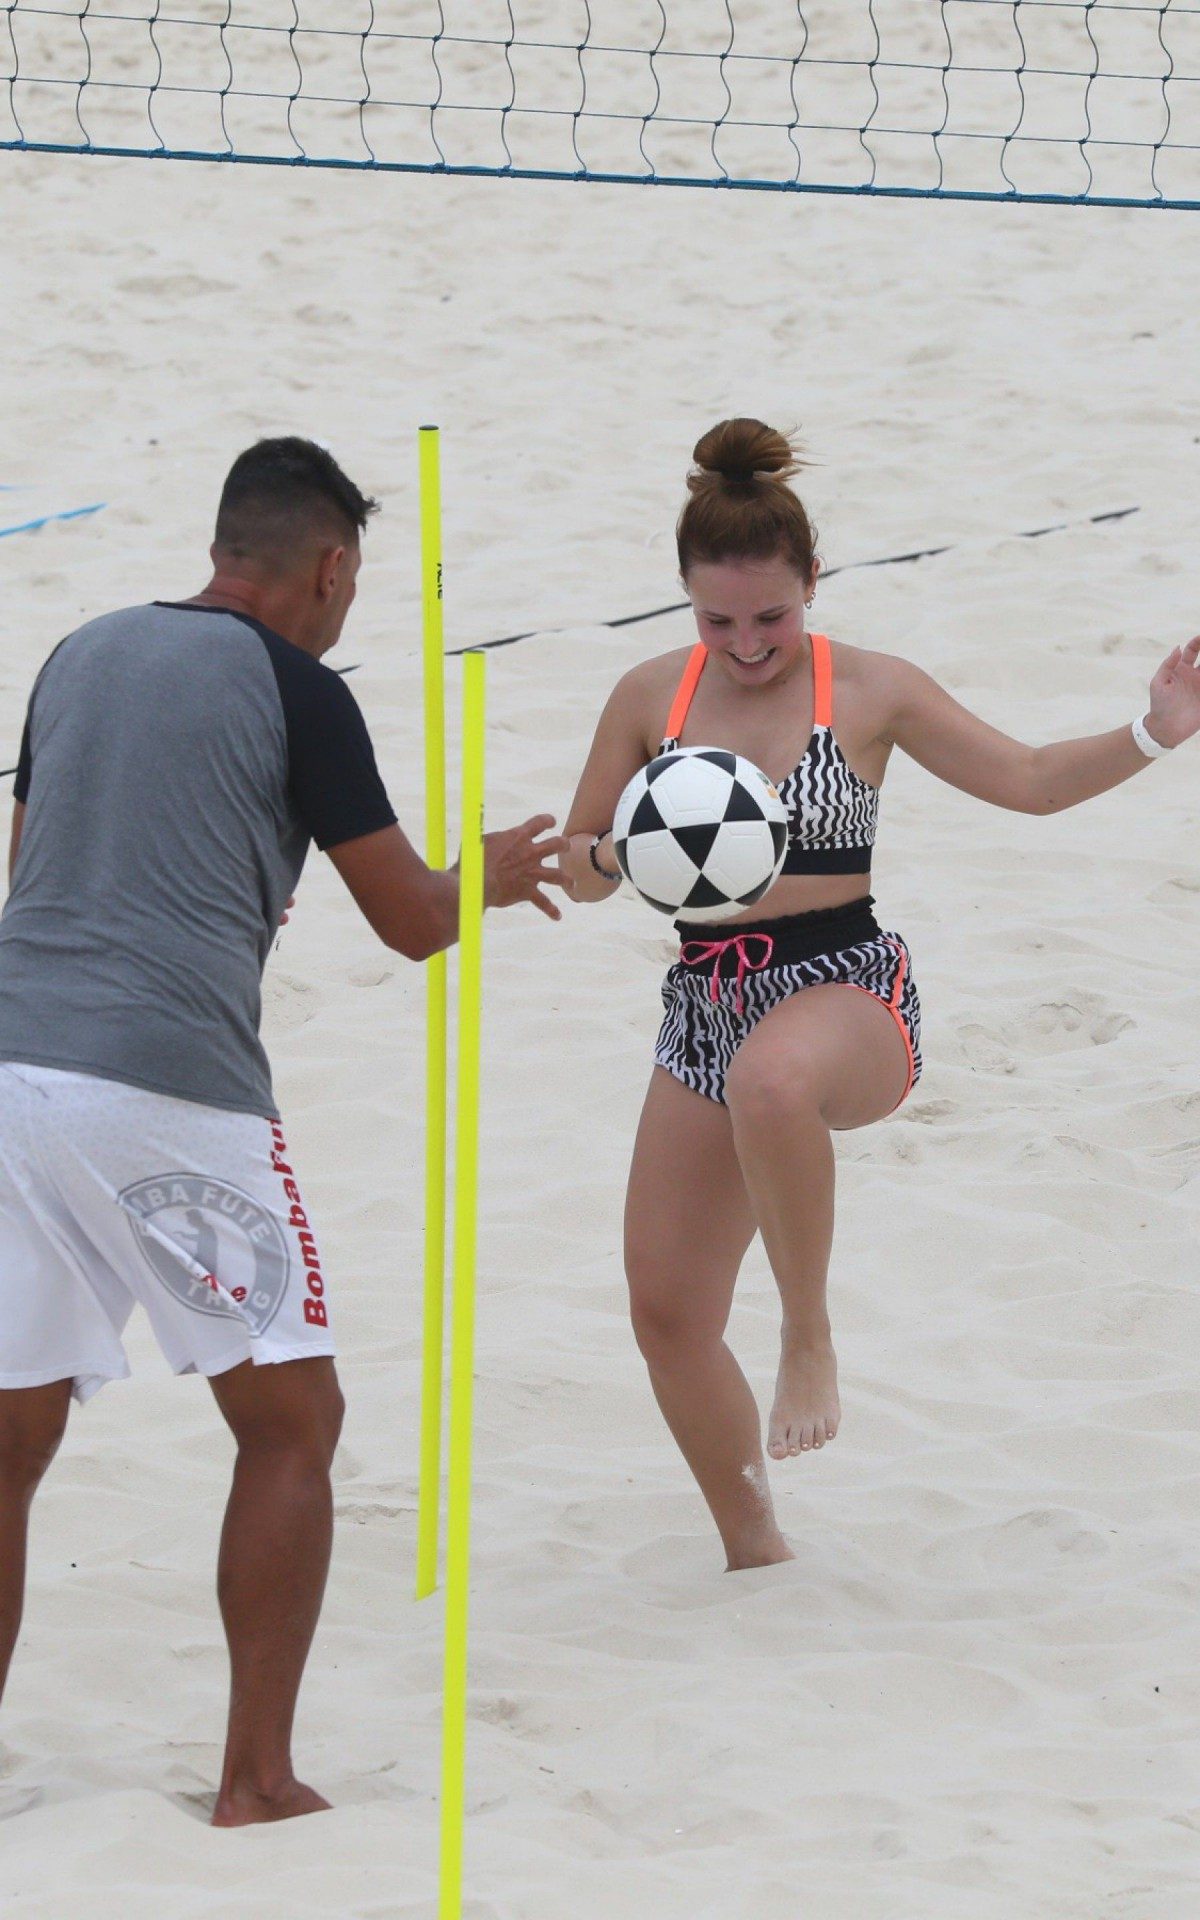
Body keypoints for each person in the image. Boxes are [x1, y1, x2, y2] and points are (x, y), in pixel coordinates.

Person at [0, 436, 567, 1823]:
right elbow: (412, 923)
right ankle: (256, 1779)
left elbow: (39, 872)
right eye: (353, 583)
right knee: (291, 1420)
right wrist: (487, 875)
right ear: (327, 567)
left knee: (8, 1446)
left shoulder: (76, 651)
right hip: (169, 1089)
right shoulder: (300, 689)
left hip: (11, 1066)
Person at [561, 417, 1200, 1573]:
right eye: (719, 621)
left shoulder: (872, 690)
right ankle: (755, 1549)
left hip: (843, 985)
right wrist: (613, 860)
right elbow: (579, 857)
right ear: (685, 602)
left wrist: (1156, 731)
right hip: (705, 997)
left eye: (773, 616)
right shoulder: (649, 694)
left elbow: (1034, 781)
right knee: (666, 1312)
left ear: (813, 582)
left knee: (774, 1081)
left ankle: (809, 1337)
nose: (748, 643)